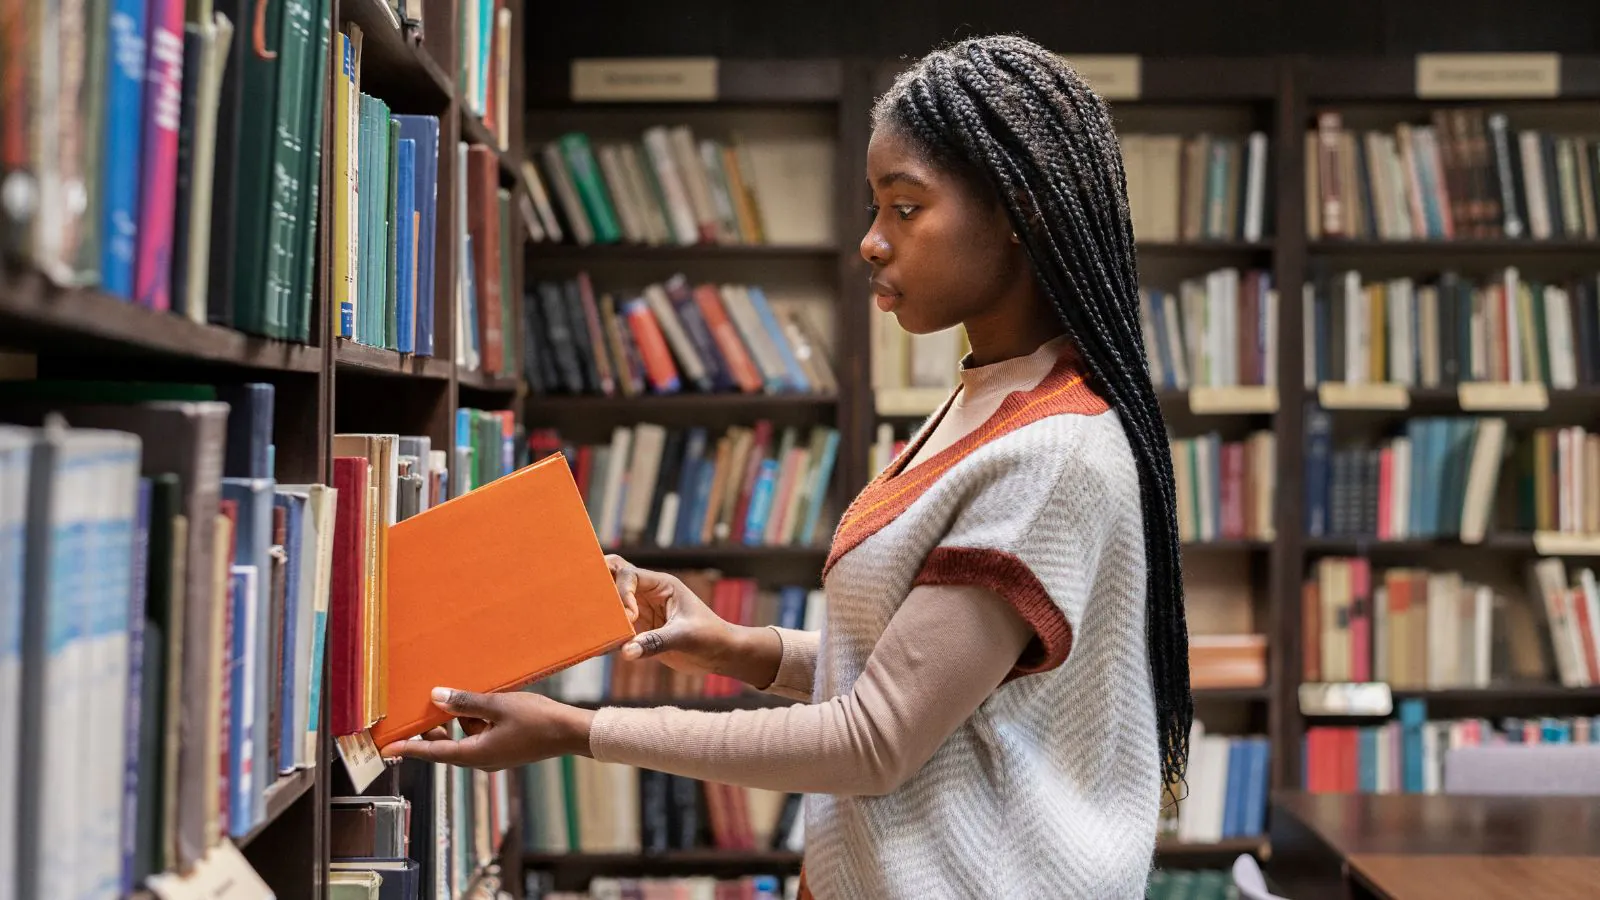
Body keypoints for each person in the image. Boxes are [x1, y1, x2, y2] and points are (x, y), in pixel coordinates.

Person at [383, 34, 1191, 898]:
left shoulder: (1054, 450)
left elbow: (874, 740)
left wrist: (579, 729)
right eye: (873, 210)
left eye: (905, 208)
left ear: (1020, 213)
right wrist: (739, 646)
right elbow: (930, 678)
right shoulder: (991, 399)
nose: (871, 244)